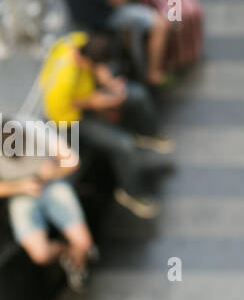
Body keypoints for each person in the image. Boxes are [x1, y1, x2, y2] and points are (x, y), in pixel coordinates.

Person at [39, 31, 172, 219]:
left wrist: (111, 85)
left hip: (87, 94)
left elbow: (99, 70)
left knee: (138, 95)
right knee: (124, 145)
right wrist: (103, 101)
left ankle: (147, 133)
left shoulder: (79, 41)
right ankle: (131, 193)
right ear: (85, 61)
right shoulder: (63, 79)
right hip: (70, 121)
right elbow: (70, 105)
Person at [0, 119, 94, 291]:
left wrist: (53, 172)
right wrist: (21, 186)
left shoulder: (38, 131)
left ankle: (78, 266)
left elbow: (72, 160)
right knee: (40, 254)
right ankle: (65, 252)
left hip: (51, 186)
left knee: (84, 243)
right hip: (21, 194)